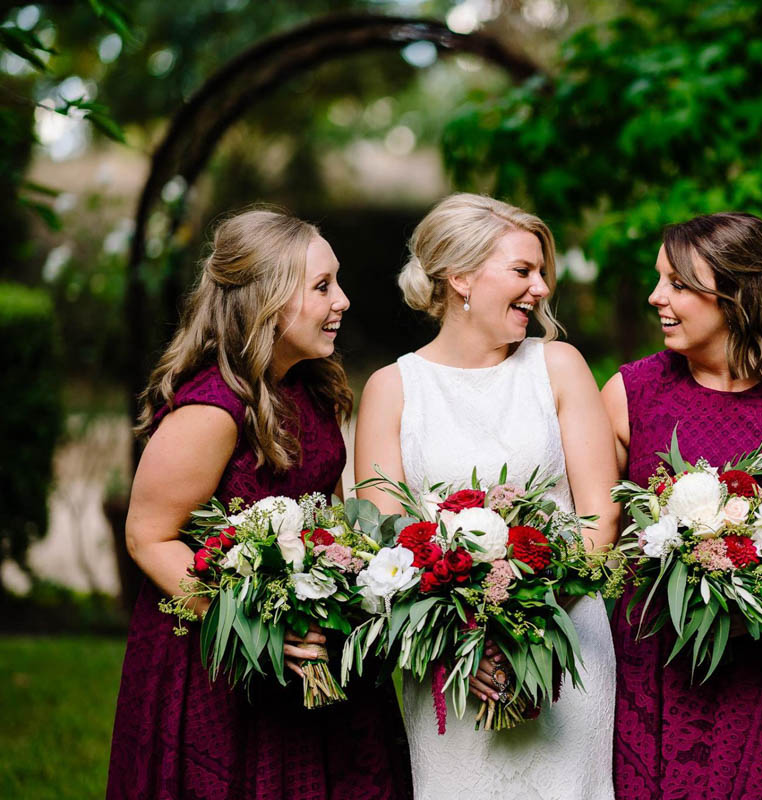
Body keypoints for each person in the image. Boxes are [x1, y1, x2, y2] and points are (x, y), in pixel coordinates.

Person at [107, 208, 411, 800]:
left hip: (317, 652)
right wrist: (255, 626)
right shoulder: (213, 411)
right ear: (265, 301)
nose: (343, 300)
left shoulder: (314, 390)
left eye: (338, 282)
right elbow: (148, 535)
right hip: (219, 667)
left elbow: (333, 524)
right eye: (322, 287)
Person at [354, 193, 620, 799]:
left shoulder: (559, 366)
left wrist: (525, 629)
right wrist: (467, 643)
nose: (543, 288)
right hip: (448, 664)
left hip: (565, 645)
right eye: (523, 271)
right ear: (461, 277)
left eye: (542, 271)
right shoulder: (393, 389)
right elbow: (385, 542)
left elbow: (598, 520)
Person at [601, 212, 762, 799]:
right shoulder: (630, 394)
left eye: (678, 284)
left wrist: (756, 592)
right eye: (660, 279)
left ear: (736, 295)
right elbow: (595, 532)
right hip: (656, 668)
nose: (655, 296)